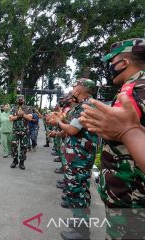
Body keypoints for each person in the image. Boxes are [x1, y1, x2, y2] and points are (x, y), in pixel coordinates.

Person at [80, 38, 145, 239]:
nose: (110, 67)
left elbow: (128, 130)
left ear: (124, 62)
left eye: (112, 61)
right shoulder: (131, 88)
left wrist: (127, 131)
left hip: (134, 197)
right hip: (126, 193)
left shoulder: (138, 89)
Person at [48, 78, 98, 240]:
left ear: (79, 90)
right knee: (76, 189)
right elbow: (69, 128)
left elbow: (72, 130)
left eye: (74, 87)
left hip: (81, 157)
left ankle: (82, 232)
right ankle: (79, 220)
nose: (72, 91)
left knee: (79, 191)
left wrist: (59, 122)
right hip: (76, 156)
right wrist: (60, 124)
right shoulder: (81, 106)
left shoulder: (88, 105)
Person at [9, 95, 32, 170]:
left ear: (24, 100)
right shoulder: (13, 108)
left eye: (21, 99)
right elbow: (10, 119)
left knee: (24, 147)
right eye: (19, 99)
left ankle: (22, 162)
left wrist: (23, 114)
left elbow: (30, 118)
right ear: (17, 100)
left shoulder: (28, 108)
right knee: (13, 146)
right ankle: (15, 160)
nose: (20, 100)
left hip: (24, 131)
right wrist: (18, 116)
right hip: (15, 131)